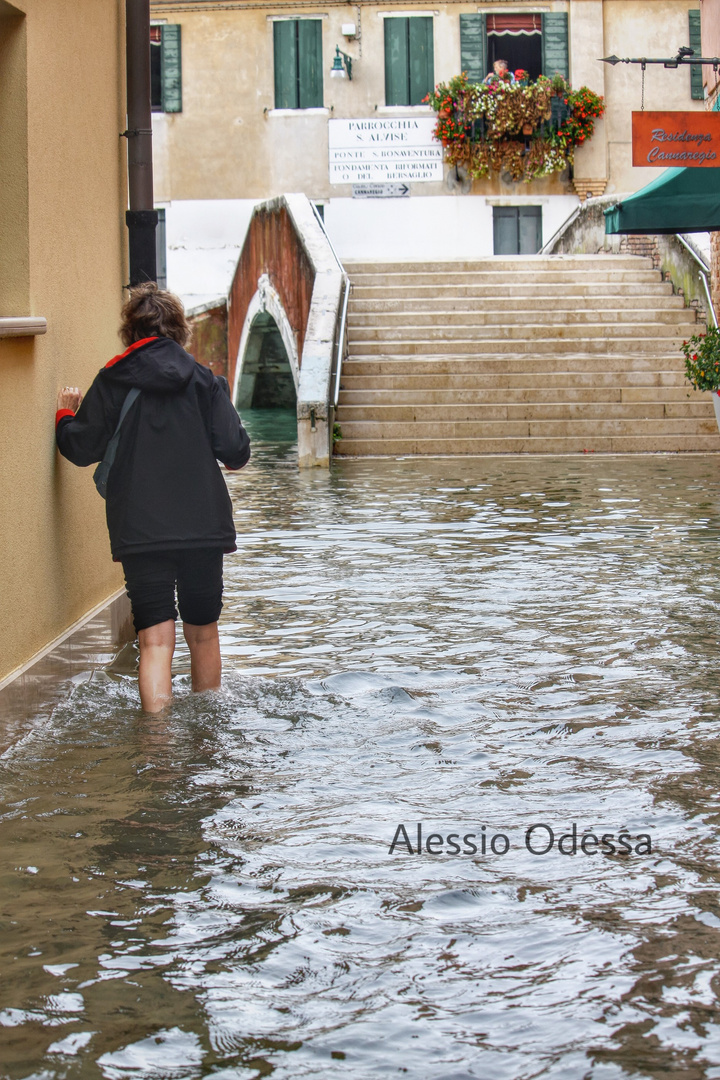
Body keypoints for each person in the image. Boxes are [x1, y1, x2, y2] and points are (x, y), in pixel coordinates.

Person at [56, 283, 250, 713]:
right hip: (203, 526)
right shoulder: (205, 381)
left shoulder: (111, 381)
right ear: (179, 331)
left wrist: (65, 417)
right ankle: (207, 739)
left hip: (140, 528)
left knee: (155, 639)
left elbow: (81, 449)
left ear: (130, 331)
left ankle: (157, 749)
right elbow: (237, 452)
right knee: (203, 632)